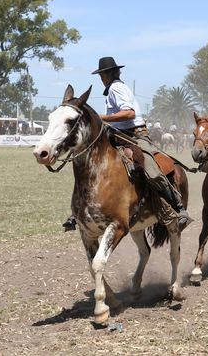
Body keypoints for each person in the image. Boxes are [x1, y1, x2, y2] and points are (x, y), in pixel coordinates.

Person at [63, 56, 191, 232]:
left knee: (151, 169)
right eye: (101, 75)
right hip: (117, 135)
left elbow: (129, 114)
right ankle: (80, 211)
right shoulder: (111, 91)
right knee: (90, 165)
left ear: (110, 74)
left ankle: (177, 207)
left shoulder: (116, 88)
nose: (101, 78)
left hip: (135, 135)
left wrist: (102, 118)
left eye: (103, 75)